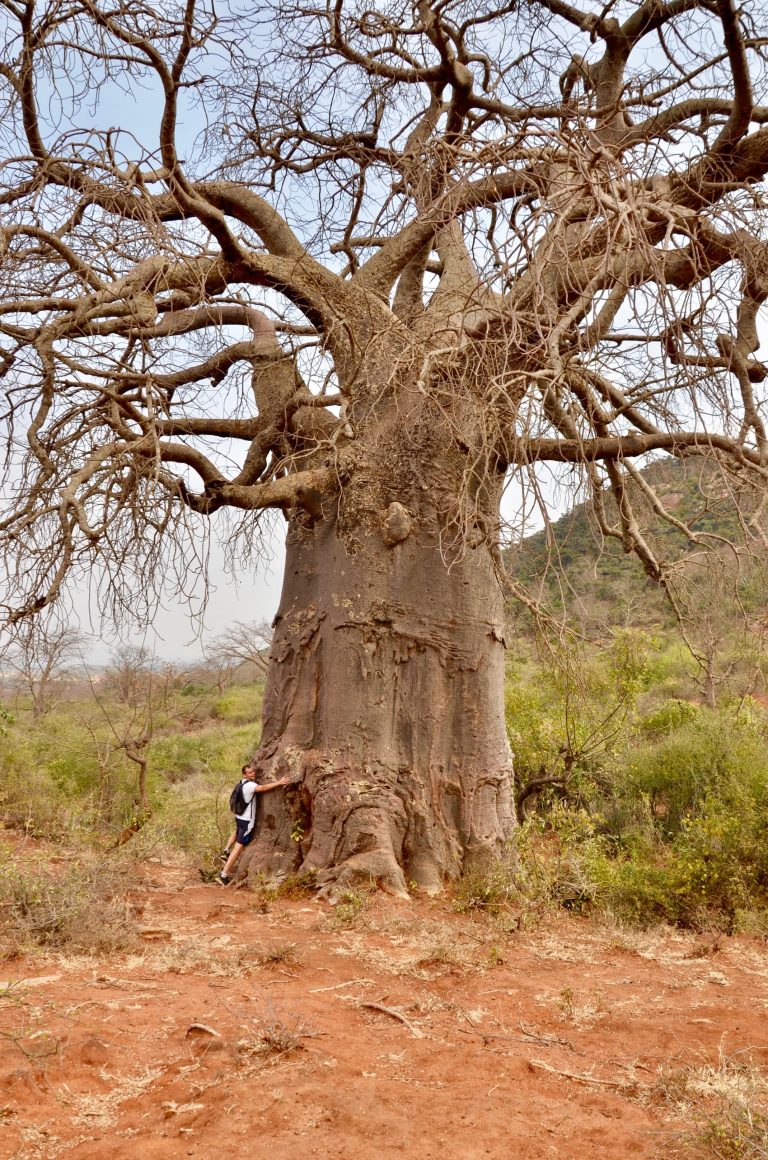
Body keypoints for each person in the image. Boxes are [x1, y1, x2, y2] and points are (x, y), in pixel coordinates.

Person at [217, 764, 293, 886]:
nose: (252, 774)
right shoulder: (250, 786)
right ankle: (223, 874)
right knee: (238, 848)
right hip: (247, 822)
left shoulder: (241, 783)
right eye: (249, 773)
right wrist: (279, 783)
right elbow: (263, 788)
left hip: (239, 818)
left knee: (236, 832)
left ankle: (226, 850)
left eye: (253, 771)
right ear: (245, 775)